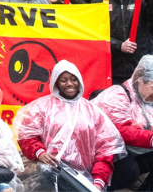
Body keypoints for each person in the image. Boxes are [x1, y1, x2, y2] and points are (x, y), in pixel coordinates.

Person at [16, 61, 125, 192]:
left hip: (83, 178)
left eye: (74, 79)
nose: (69, 84)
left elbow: (105, 150)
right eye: (63, 80)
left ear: (80, 80)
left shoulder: (93, 112)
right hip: (48, 172)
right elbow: (26, 136)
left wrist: (98, 181)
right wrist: (40, 153)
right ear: (56, 82)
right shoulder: (41, 107)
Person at [95, 54, 153, 190]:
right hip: (104, 148)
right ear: (140, 80)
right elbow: (120, 130)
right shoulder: (117, 94)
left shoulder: (147, 100)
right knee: (129, 171)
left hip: (129, 149)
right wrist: (150, 138)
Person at [93, 0, 153, 84]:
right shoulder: (99, 1)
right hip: (113, 68)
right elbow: (95, 34)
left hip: (141, 67)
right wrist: (119, 45)